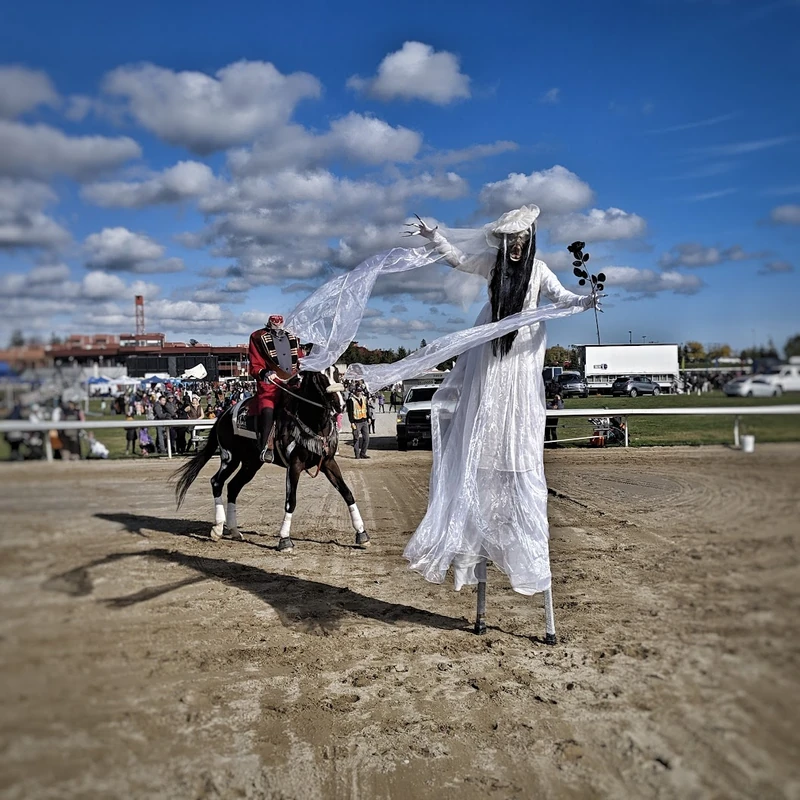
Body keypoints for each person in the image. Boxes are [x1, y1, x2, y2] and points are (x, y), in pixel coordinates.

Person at [248, 314, 303, 463]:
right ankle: (266, 446)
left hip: (292, 382)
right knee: (268, 410)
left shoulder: (293, 337)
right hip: (271, 384)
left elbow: (299, 358)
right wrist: (264, 372)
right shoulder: (257, 337)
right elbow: (255, 363)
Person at [347, 385, 370, 459]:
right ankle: (357, 454)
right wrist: (352, 422)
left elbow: (367, 408)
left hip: (364, 420)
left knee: (366, 438)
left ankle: (363, 453)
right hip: (356, 422)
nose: (359, 392)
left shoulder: (364, 398)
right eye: (358, 391)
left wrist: (369, 417)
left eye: (360, 391)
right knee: (356, 438)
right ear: (355, 391)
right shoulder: (351, 400)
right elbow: (350, 412)